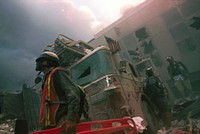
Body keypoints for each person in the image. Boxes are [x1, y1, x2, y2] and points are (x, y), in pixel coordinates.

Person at [35, 51, 83, 133]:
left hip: (62, 118)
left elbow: (73, 94)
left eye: (43, 60)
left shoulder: (57, 72)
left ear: (50, 62)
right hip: (53, 121)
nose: (39, 63)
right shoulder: (47, 78)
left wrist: (71, 118)